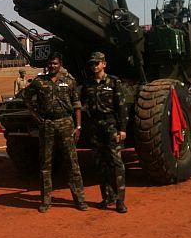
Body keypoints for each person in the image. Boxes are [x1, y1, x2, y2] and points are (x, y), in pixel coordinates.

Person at [22, 52, 87, 213]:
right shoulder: (39, 82)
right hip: (47, 124)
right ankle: (45, 201)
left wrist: (78, 127)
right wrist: (36, 117)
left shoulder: (69, 82)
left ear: (60, 65)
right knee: (46, 164)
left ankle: (79, 199)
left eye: (55, 64)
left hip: (66, 123)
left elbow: (77, 105)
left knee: (72, 163)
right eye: (50, 63)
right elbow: (26, 97)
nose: (52, 66)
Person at [81, 52, 128, 213]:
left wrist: (122, 129)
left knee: (116, 163)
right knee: (100, 163)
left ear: (104, 64)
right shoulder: (88, 84)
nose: (94, 66)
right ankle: (107, 197)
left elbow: (121, 106)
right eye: (92, 64)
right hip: (95, 126)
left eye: (97, 63)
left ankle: (120, 201)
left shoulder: (114, 82)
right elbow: (83, 104)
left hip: (110, 125)